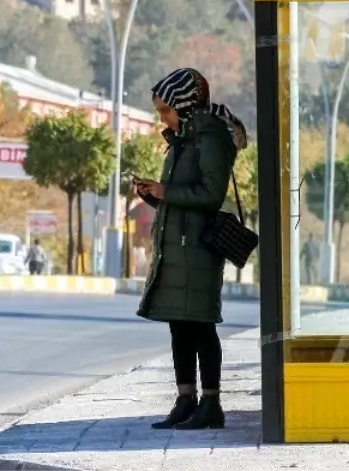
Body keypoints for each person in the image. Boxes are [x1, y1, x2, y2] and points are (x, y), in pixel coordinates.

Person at [133, 68, 245, 431]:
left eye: (165, 109)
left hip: (198, 248)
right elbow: (183, 198)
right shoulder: (183, 139)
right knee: (179, 326)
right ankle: (185, 400)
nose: (161, 117)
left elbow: (211, 195)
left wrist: (165, 192)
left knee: (201, 327)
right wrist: (154, 195)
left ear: (184, 104)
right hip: (177, 246)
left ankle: (211, 404)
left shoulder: (208, 139)